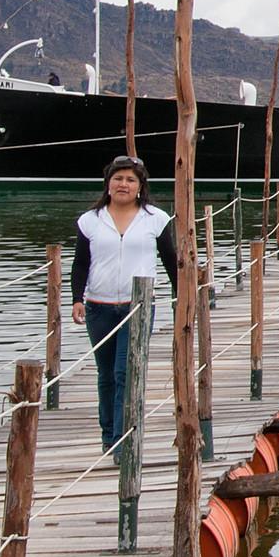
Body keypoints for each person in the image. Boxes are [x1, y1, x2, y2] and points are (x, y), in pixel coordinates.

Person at [70, 156, 177, 452]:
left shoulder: (155, 218)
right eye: (118, 179)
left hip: (137, 308)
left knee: (125, 373)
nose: (123, 185)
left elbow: (171, 261)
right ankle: (108, 435)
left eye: (131, 180)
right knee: (105, 375)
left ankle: (121, 441)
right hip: (98, 306)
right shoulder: (91, 220)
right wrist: (77, 298)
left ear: (141, 186)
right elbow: (80, 264)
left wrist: (182, 297)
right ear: (108, 183)